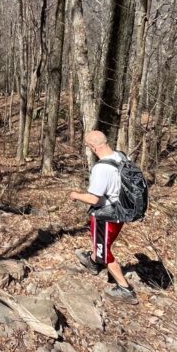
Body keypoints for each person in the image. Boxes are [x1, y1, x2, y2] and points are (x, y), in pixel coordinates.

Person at [69, 130, 139, 304]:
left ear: (93, 147)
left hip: (106, 215)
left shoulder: (101, 168)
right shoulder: (121, 157)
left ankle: (125, 289)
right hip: (122, 210)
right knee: (102, 243)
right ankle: (92, 261)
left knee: (105, 251)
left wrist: (76, 195)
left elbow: (94, 198)